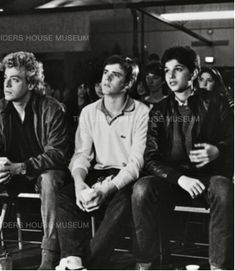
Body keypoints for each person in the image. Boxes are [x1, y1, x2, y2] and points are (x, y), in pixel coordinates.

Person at [132, 46, 234, 270]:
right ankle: (146, 263)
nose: (170, 76)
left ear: (194, 73)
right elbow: (150, 158)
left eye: (178, 69)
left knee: (224, 189)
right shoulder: (159, 110)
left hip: (208, 177)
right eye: (167, 70)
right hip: (173, 179)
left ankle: (219, 266)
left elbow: (233, 139)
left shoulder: (217, 102)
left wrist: (218, 150)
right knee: (141, 189)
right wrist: (179, 178)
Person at [56, 55, 149, 270]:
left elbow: (136, 164)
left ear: (127, 84)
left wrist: (105, 189)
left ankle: (90, 264)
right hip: (98, 172)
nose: (106, 79)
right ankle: (73, 258)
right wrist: (80, 184)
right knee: (64, 195)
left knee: (125, 200)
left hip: (124, 176)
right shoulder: (89, 111)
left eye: (115, 75)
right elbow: (81, 155)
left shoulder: (142, 112)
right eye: (105, 72)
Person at [0, 51, 72, 270]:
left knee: (49, 180)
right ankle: (2, 254)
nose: (7, 84)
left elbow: (58, 153)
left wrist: (22, 167)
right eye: (5, 78)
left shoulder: (51, 108)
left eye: (15, 79)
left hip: (45, 172)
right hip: (11, 172)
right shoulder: (1, 109)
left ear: (31, 84)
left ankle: (49, 253)